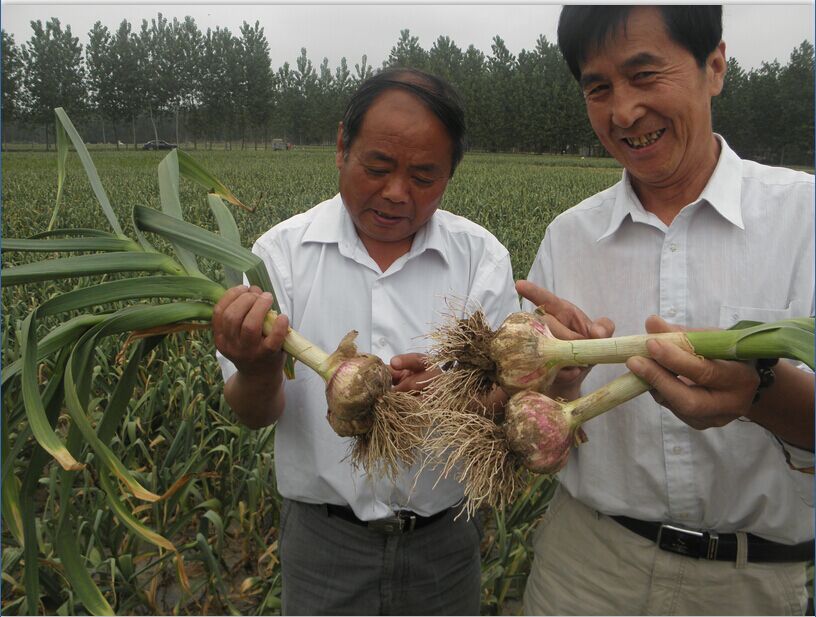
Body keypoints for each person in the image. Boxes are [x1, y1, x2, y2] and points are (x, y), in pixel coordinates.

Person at [518, 6, 815, 615]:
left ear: (715, 67)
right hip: (585, 568)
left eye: (644, 75)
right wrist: (557, 382)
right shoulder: (569, 237)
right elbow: (534, 428)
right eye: (598, 88)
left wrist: (758, 392)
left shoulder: (804, 218)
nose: (624, 112)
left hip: (750, 585)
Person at [213, 68, 519, 615]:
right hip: (324, 544)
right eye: (377, 168)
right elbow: (252, 413)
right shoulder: (277, 258)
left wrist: (454, 397)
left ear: (450, 173)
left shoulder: (482, 259)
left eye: (424, 176)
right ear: (341, 147)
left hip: (445, 543)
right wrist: (257, 370)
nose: (396, 193)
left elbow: (507, 397)